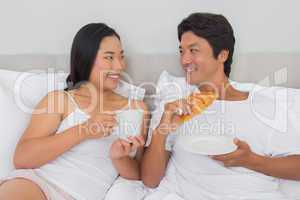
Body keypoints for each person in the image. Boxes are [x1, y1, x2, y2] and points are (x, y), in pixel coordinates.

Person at [141, 13, 300, 200]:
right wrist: (162, 130)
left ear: (222, 55)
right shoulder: (174, 108)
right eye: (182, 51)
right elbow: (150, 180)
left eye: (193, 50)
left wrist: (251, 160)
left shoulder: (264, 106)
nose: (184, 60)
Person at [0, 23, 149, 200]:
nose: (119, 66)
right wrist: (84, 130)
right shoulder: (60, 100)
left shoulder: (138, 109)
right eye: (109, 57)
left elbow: (136, 175)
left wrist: (119, 158)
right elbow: (22, 158)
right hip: (39, 185)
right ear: (86, 58)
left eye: (121, 57)